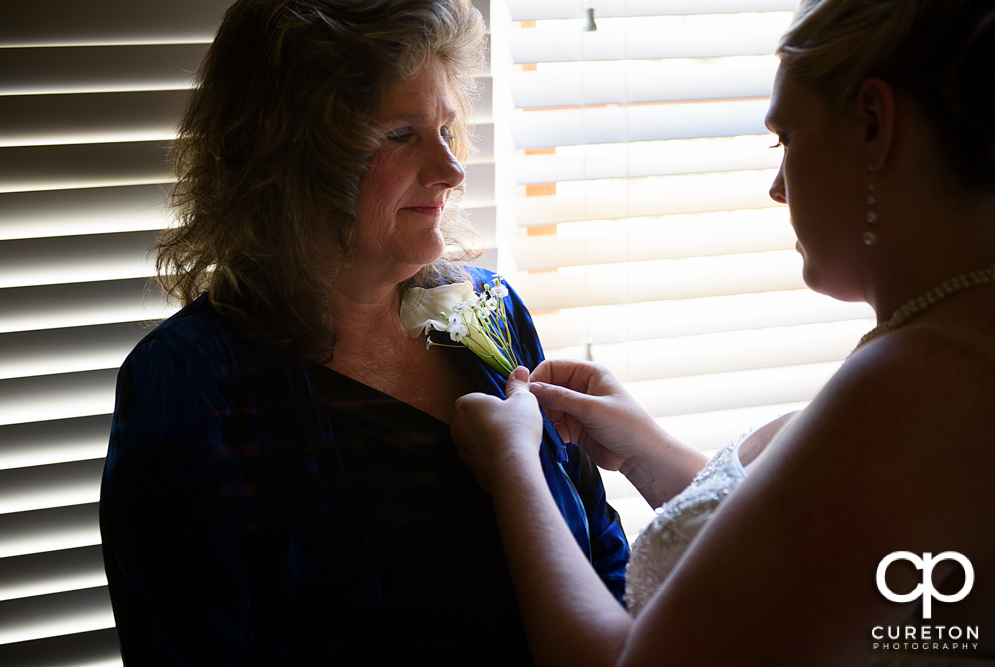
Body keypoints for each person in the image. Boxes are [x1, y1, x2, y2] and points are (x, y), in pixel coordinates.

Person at [450, 0, 995, 665]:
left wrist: (515, 467)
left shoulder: (913, 382)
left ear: (873, 127)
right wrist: (648, 455)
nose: (775, 186)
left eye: (785, 138)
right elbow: (808, 567)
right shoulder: (952, 337)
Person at [99, 0, 629, 664]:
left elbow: (601, 547)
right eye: (401, 134)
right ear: (292, 163)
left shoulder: (492, 311)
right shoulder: (189, 385)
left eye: (446, 127)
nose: (451, 169)